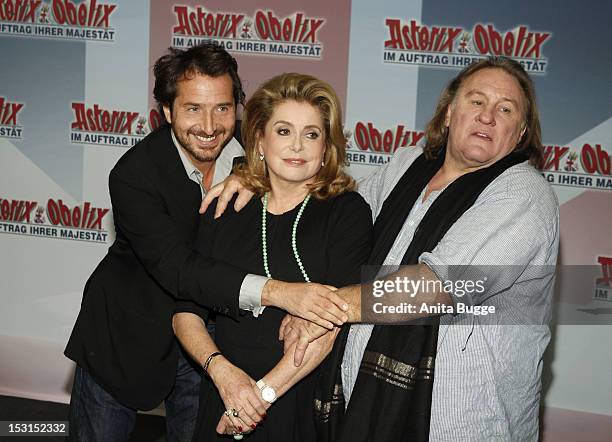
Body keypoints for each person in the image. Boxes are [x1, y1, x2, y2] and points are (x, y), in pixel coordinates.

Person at [204, 56, 560, 441]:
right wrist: (255, 177)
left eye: (505, 109)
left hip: (462, 424)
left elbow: (433, 288)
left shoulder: (523, 195)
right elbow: (330, 208)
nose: (487, 116)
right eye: (476, 101)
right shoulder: (408, 165)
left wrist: (323, 309)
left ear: (522, 132)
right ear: (448, 113)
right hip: (365, 411)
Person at [64, 44, 349, 441]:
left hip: (206, 342)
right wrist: (283, 294)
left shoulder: (253, 160)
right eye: (192, 109)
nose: (209, 125)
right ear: (166, 112)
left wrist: (247, 173)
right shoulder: (134, 175)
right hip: (127, 335)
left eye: (222, 108)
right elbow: (180, 270)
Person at [173, 73, 373, 440]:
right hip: (224, 393)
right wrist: (222, 374)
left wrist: (258, 397)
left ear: (326, 146)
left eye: (311, 134)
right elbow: (186, 312)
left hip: (297, 402)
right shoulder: (227, 208)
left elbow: (330, 325)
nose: (297, 145)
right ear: (260, 140)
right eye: (283, 131)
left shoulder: (347, 212)